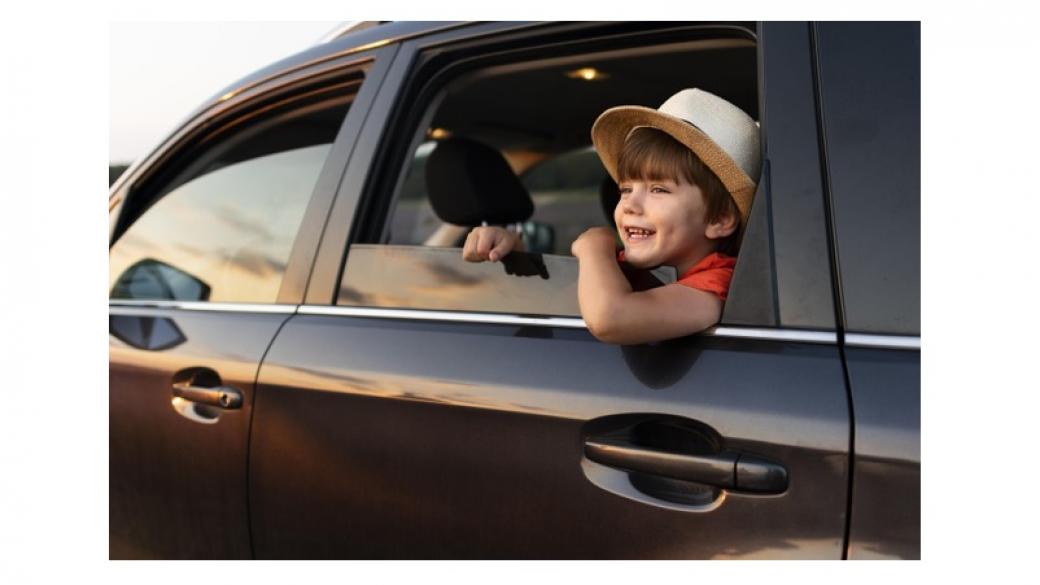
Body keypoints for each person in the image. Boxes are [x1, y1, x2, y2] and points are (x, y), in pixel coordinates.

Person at [461, 88, 761, 345]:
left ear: (719, 219)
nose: (630, 204)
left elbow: (609, 318)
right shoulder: (627, 269)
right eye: (626, 188)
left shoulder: (717, 286)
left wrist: (594, 247)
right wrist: (515, 256)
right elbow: (555, 302)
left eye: (658, 189)